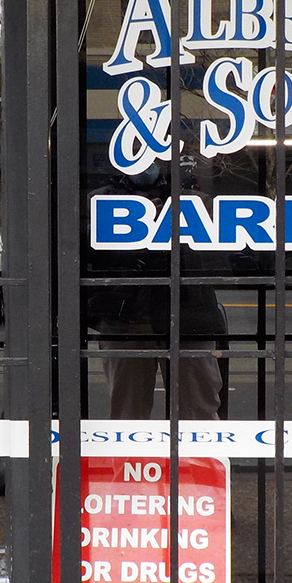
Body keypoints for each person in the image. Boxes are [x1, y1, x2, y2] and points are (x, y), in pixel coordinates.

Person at [85, 155, 227, 419]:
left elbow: (216, 261)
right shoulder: (101, 201)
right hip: (125, 317)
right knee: (128, 410)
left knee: (198, 408)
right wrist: (137, 231)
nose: (142, 162)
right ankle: (130, 460)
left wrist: (171, 225)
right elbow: (86, 258)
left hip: (188, 314)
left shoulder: (192, 200)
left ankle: (198, 460)